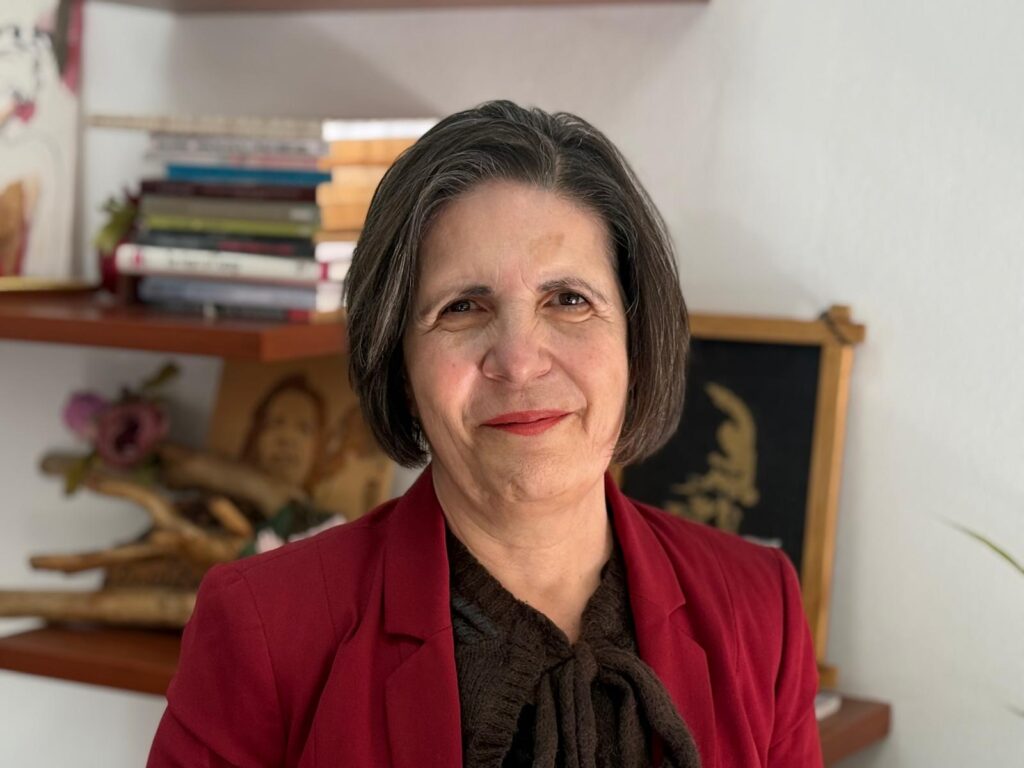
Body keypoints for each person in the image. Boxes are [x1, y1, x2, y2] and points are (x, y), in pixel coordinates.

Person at [147, 100, 822, 767]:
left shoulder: (759, 605)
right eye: (463, 307)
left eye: (569, 300)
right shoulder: (265, 626)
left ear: (635, 342)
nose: (520, 362)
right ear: (399, 364)